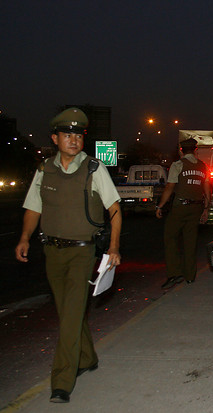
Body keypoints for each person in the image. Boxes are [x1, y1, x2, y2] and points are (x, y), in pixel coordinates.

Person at [14, 107, 122, 403]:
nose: (73, 140)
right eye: (67, 135)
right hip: (52, 251)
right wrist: (24, 238)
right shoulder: (44, 169)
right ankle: (87, 357)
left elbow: (114, 209)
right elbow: (33, 207)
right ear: (55, 138)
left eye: (78, 135)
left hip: (82, 253)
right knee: (68, 313)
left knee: (71, 315)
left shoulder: (93, 169)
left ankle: (62, 381)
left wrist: (113, 247)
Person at [156, 138, 210, 289]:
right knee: (190, 241)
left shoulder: (178, 165)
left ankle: (175, 274)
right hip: (196, 207)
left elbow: (170, 187)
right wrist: (206, 208)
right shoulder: (202, 166)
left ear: (180, 150)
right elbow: (207, 187)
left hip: (180, 207)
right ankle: (190, 276)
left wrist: (160, 206)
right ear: (195, 150)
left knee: (170, 237)